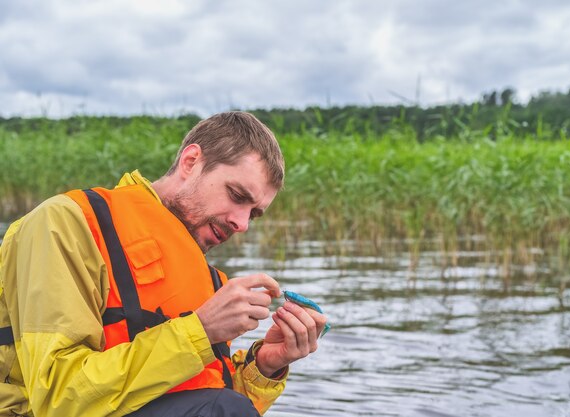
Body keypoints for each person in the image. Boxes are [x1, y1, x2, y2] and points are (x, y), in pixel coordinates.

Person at [0, 111, 327, 417]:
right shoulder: (66, 223)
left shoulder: (209, 280)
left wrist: (266, 366)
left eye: (254, 213)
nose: (242, 224)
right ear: (191, 162)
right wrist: (199, 331)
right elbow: (57, 397)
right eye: (237, 196)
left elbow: (199, 397)